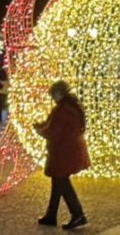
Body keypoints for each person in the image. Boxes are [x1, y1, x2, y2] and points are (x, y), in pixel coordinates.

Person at [36, 80, 91, 229]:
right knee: (58, 182)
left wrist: (40, 131)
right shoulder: (71, 107)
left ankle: (78, 214)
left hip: (64, 152)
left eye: (53, 96)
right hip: (69, 150)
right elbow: (56, 126)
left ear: (59, 94)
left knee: (62, 182)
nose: (53, 99)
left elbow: (54, 132)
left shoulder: (63, 110)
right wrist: (43, 126)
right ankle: (51, 214)